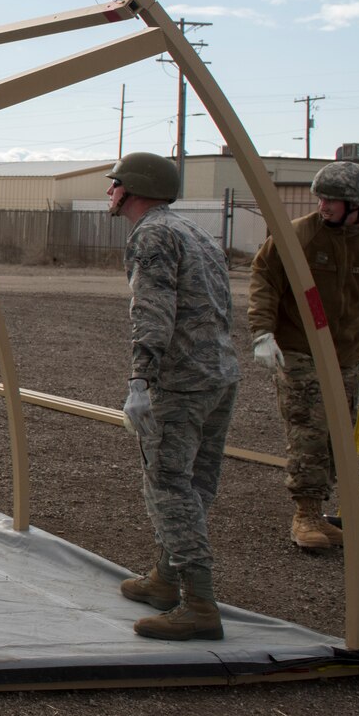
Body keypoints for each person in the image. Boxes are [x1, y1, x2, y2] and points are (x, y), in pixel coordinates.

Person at [106, 151, 241, 640]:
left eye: (115, 183)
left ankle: (200, 605)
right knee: (196, 484)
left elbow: (153, 309)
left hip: (180, 381)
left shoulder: (153, 234)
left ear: (134, 188)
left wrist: (140, 380)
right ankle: (166, 578)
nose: (110, 191)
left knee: (168, 486)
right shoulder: (195, 231)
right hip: (219, 374)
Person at [247, 160, 359, 552]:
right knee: (309, 432)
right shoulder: (298, 236)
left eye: (332, 200)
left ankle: (320, 512)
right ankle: (304, 514)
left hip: (346, 357)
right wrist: (262, 332)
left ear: (355, 205)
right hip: (299, 349)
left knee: (337, 438)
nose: (323, 205)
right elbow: (265, 279)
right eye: (321, 198)